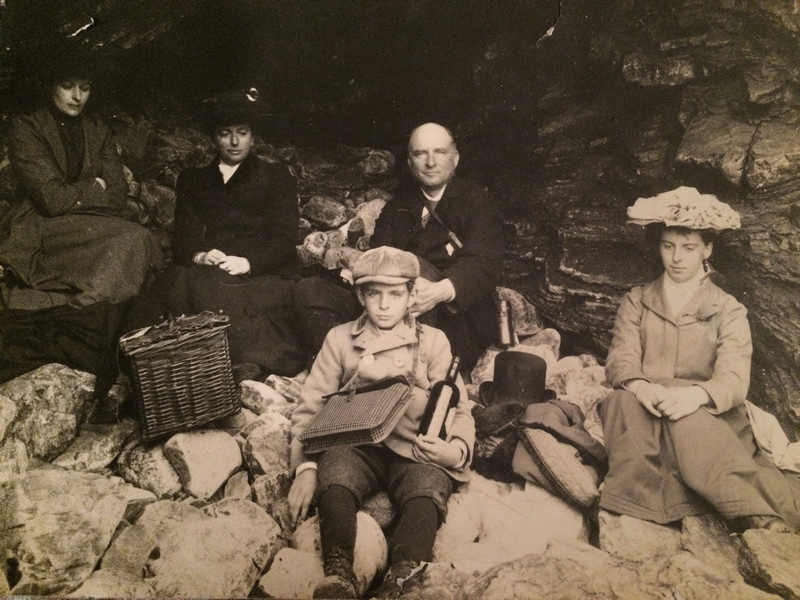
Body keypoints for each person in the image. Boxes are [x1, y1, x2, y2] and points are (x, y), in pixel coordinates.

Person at [600, 187, 800, 534]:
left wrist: (695, 396)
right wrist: (639, 385)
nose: (677, 258)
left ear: (707, 249)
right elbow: (622, 354)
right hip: (648, 405)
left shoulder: (728, 309)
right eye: (668, 246)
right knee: (619, 403)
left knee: (689, 424)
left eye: (689, 248)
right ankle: (642, 505)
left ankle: (752, 510)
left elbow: (734, 379)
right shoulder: (637, 300)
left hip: (704, 414)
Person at [288, 246, 475, 599]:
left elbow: (459, 408)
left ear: (411, 295)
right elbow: (310, 406)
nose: (385, 305)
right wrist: (306, 467)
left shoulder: (433, 341)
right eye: (374, 294)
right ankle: (340, 570)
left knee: (427, 492)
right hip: (357, 444)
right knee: (336, 476)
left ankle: (401, 578)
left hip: (414, 448)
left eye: (395, 294)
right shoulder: (341, 339)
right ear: (360, 296)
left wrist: (454, 451)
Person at [292, 122, 504, 370]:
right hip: (388, 304)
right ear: (410, 162)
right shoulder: (397, 206)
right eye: (420, 153)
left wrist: (438, 290)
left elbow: (483, 262)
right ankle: (345, 367)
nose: (430, 161)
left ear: (455, 159)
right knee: (311, 291)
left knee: (415, 274)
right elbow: (379, 257)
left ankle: (392, 374)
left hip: (451, 316)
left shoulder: (478, 202)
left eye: (440, 152)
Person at [130, 90, 306, 378]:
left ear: (252, 136)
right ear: (214, 138)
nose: (235, 142)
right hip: (211, 271)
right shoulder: (193, 180)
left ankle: (242, 361)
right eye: (225, 134)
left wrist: (247, 262)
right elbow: (184, 234)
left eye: (242, 132)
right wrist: (200, 254)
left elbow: (284, 238)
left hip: (260, 272)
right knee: (175, 285)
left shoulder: (276, 178)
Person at [0, 41, 162, 310]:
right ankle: (87, 310)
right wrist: (94, 187)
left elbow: (118, 193)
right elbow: (50, 200)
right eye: (67, 86)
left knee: (138, 239)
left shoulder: (97, 127)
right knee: (133, 240)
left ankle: (89, 304)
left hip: (89, 221)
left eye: (85, 88)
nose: (77, 96)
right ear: (50, 86)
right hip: (41, 226)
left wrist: (82, 194)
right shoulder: (27, 129)